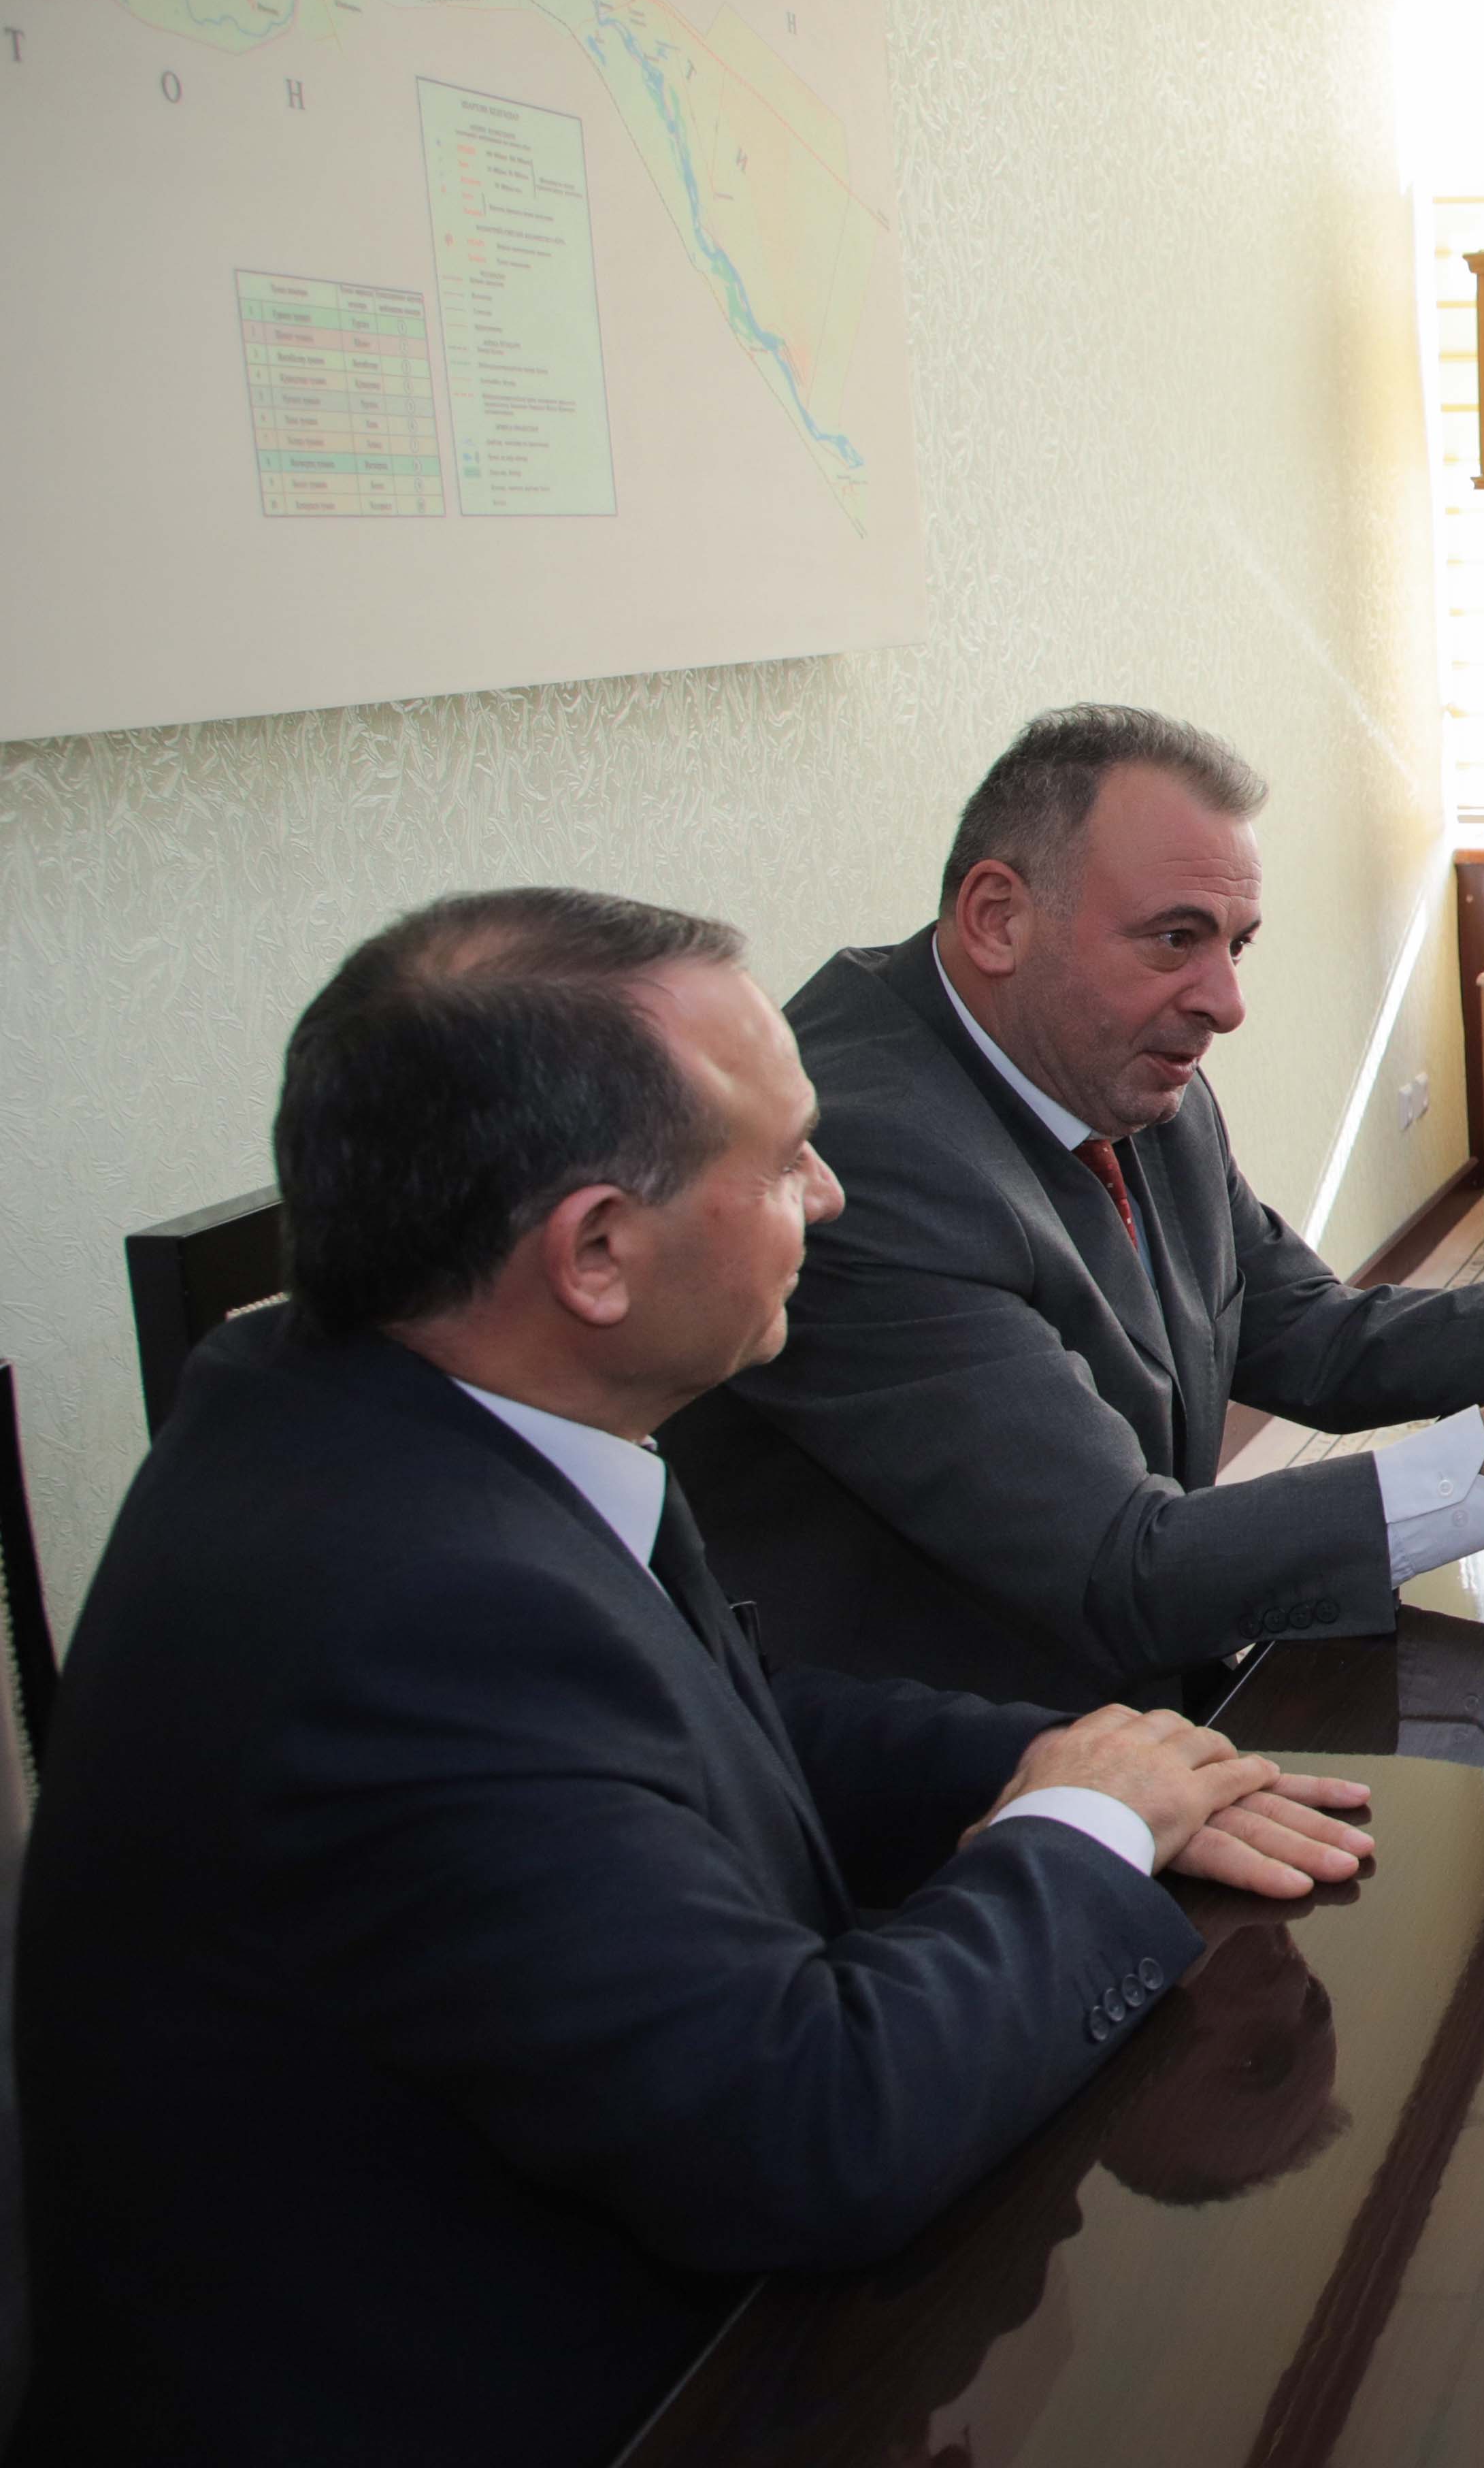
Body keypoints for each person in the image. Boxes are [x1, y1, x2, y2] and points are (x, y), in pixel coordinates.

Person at [15, 889, 1386, 2466]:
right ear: (597, 1250)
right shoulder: (409, 1614)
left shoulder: (393, 1401)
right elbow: (815, 2137)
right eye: (788, 1156)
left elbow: (715, 1714)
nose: (831, 1190)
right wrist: (1078, 1833)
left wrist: (1076, 1763)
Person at [665, 705, 1484, 1712]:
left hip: (1154, 1682)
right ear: (997, 918)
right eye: (1175, 939)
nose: (1226, 1002)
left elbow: (1313, 1338)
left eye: (1236, 944)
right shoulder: (864, 1160)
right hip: (962, 1768)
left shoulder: (1119, 1062)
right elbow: (1122, 1568)